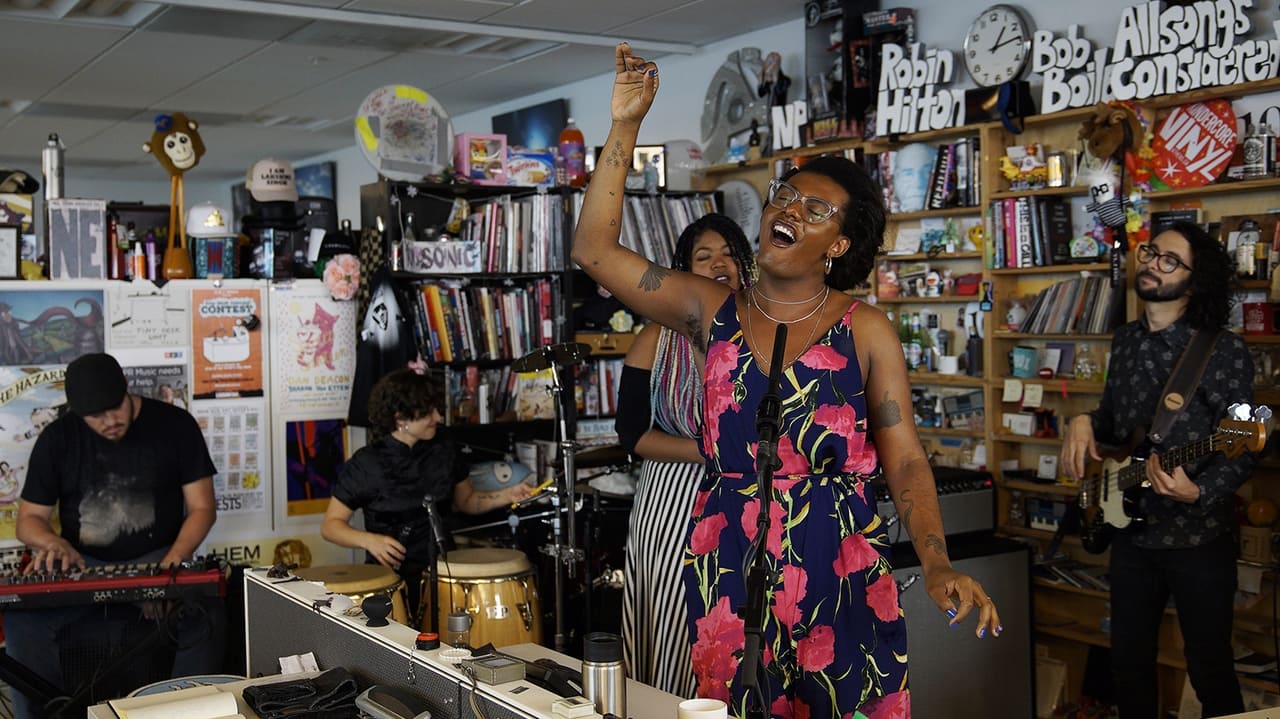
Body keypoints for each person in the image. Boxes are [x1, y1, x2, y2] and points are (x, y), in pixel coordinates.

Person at [572, 43, 999, 718]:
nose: (790, 208)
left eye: (816, 209)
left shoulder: (865, 329)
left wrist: (937, 560)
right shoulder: (708, 311)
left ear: (838, 245)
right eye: (788, 194)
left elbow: (906, 457)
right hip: (727, 561)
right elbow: (593, 250)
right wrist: (624, 125)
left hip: (843, 564)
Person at [1061, 222, 1254, 718]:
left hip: (1199, 538)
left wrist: (1202, 490)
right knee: (1128, 665)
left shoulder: (1224, 350)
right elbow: (1113, 424)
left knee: (1210, 668)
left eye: (1170, 260)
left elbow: (1246, 442)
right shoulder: (1125, 340)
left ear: (1196, 279)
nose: (1152, 263)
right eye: (1150, 253)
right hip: (1130, 535)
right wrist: (1082, 421)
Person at [9, 352, 222, 719]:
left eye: (115, 409)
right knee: (22, 620)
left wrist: (171, 565)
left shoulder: (175, 424)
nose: (109, 422)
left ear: (127, 389)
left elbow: (202, 507)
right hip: (83, 565)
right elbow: (28, 519)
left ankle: (189, 712)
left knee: (205, 612)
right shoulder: (58, 437)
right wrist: (52, 542)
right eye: (96, 417)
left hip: (158, 557)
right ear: (76, 411)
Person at [617, 213, 756, 697]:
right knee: (679, 621)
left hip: (748, 498)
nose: (719, 262)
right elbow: (630, 434)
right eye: (703, 256)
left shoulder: (766, 331)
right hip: (672, 501)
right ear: (683, 270)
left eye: (728, 253)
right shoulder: (655, 338)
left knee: (739, 624)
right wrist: (708, 450)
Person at [321, 368, 533, 623]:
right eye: (429, 412)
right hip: (391, 580)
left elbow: (466, 501)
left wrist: (508, 494)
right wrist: (370, 541)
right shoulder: (367, 464)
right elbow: (330, 526)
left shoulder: (444, 447)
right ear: (401, 418)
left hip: (444, 573)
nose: (438, 417)